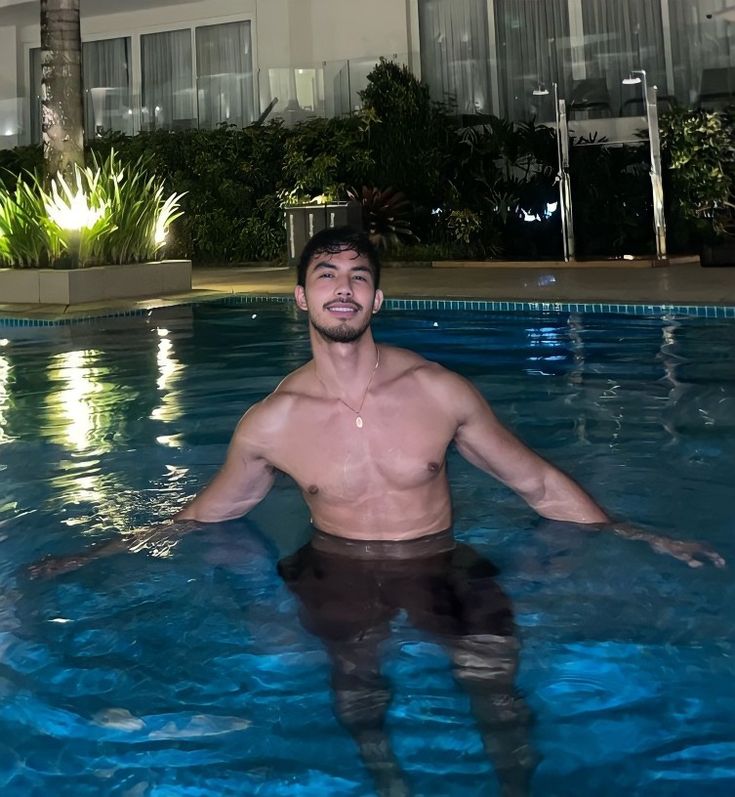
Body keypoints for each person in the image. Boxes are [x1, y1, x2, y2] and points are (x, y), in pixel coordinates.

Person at [29, 227, 724, 796]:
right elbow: (207, 511)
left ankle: (516, 785)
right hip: (337, 567)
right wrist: (94, 554)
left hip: (439, 561)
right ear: (301, 298)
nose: (343, 286)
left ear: (376, 297)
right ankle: (389, 783)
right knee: (358, 690)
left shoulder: (438, 390)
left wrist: (636, 533)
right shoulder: (271, 422)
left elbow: (535, 482)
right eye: (327, 274)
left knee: (495, 683)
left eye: (357, 275)